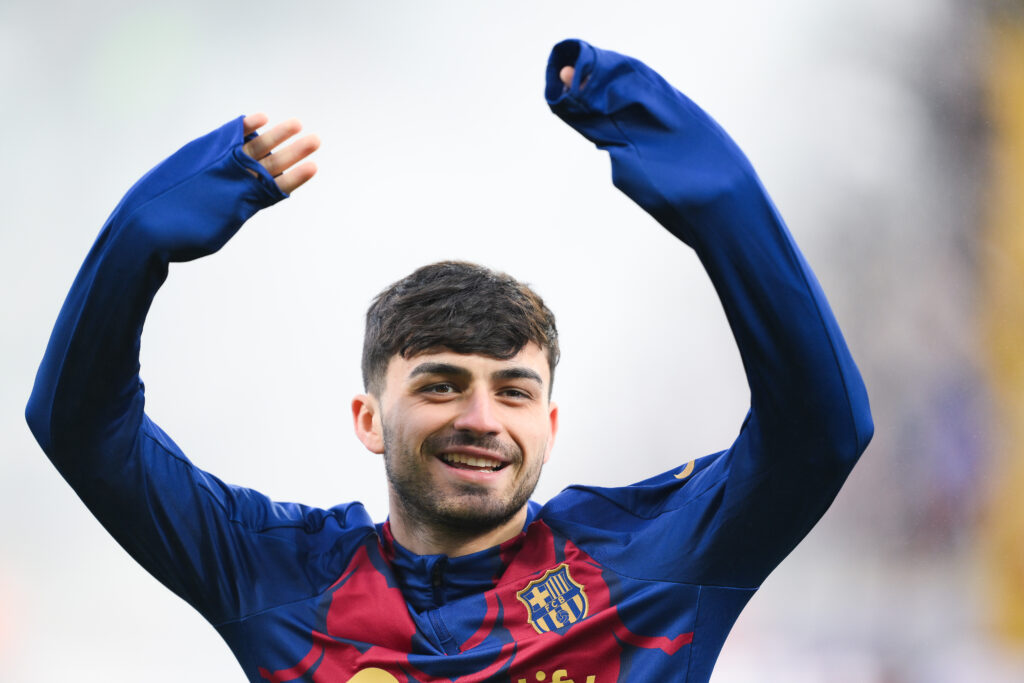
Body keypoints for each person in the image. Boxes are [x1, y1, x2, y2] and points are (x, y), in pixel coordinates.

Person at [26, 39, 873, 683]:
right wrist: (139, 239)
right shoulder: (276, 575)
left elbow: (820, 431)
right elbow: (82, 428)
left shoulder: (653, 563)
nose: (481, 417)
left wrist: (705, 186)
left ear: (549, 423)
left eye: (514, 390)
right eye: (440, 384)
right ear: (369, 417)